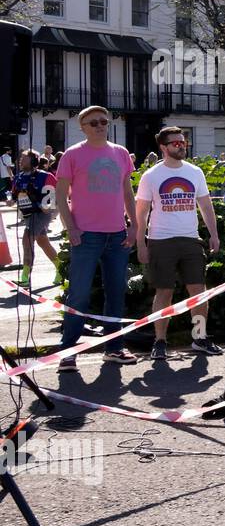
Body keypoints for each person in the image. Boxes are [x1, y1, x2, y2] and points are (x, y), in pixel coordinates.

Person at [55, 108, 139, 370]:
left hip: (117, 235)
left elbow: (127, 192)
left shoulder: (121, 153)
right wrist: (71, 228)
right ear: (83, 127)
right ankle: (67, 352)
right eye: (94, 123)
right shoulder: (72, 154)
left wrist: (134, 225)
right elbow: (60, 196)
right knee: (78, 295)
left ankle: (113, 348)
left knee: (116, 294)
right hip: (85, 235)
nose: (100, 125)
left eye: (104, 121)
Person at [135, 126, 224, 361]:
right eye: (175, 143)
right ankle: (160, 341)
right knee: (164, 292)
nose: (181, 146)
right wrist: (141, 243)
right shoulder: (151, 175)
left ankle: (199, 338)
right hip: (160, 240)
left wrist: (213, 234)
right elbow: (141, 212)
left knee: (198, 293)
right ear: (163, 147)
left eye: (183, 142)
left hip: (190, 239)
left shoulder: (194, 172)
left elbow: (205, 205)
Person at [13, 150, 57, 288]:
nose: (20, 160)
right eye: (21, 158)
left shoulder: (45, 176)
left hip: (41, 214)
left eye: (24, 158)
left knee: (27, 239)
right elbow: (15, 195)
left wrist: (48, 206)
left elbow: (54, 196)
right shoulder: (19, 177)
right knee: (43, 242)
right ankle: (61, 269)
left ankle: (25, 278)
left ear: (33, 161)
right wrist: (12, 200)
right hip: (27, 215)